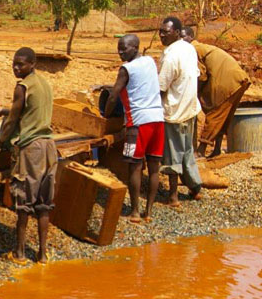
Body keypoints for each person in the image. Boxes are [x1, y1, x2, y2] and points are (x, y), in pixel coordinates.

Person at [0, 47, 55, 264]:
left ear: (32, 64)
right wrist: (5, 110)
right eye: (14, 64)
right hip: (49, 147)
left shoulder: (22, 87)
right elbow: (29, 111)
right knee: (44, 203)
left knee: (24, 202)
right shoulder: (43, 84)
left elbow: (12, 122)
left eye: (21, 64)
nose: (16, 68)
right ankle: (42, 254)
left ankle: (19, 253)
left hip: (32, 149)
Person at [103, 34, 164, 222]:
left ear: (135, 47)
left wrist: (105, 116)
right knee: (154, 167)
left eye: (124, 49)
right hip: (158, 120)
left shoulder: (126, 69)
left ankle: (135, 211)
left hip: (137, 123)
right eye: (118, 49)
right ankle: (149, 212)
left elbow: (113, 96)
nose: (120, 52)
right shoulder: (150, 61)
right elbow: (138, 85)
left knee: (134, 167)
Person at [180, 27, 251, 158]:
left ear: (191, 37)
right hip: (240, 80)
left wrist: (193, 93)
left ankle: (200, 150)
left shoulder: (192, 50)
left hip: (228, 81)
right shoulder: (202, 47)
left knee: (215, 114)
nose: (181, 40)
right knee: (224, 117)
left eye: (183, 37)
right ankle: (217, 148)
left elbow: (201, 76)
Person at [157, 17, 202, 205]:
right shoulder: (189, 48)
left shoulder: (170, 56)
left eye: (165, 32)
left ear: (176, 32)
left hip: (174, 112)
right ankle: (195, 187)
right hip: (190, 108)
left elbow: (161, 87)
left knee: (172, 155)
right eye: (160, 31)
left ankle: (173, 195)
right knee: (187, 150)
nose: (161, 35)